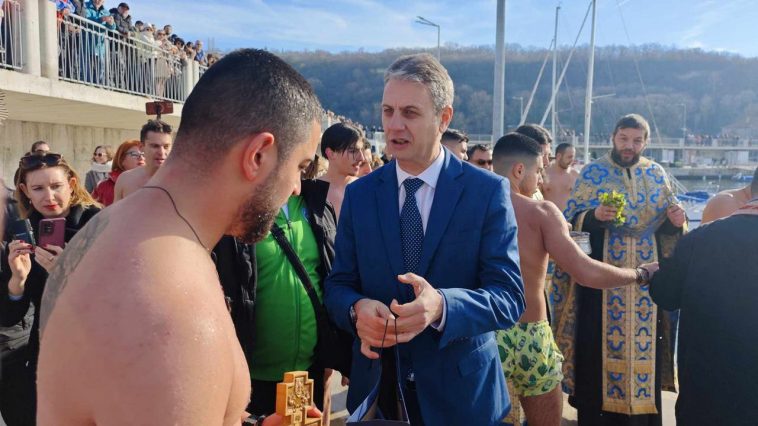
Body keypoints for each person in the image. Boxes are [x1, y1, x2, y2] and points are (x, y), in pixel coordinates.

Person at [36, 49, 324, 426]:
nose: (296, 187)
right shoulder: (174, 308)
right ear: (257, 155)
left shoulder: (110, 228)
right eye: (300, 166)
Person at [324, 53, 525, 425]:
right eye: (388, 111)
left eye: (410, 113)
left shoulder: (486, 192)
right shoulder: (360, 194)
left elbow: (509, 298)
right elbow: (338, 285)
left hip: (462, 400)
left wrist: (442, 306)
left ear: (443, 118)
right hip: (380, 393)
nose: (394, 125)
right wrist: (357, 310)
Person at [492, 133, 658, 426]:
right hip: (529, 334)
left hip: (484, 332)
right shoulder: (541, 211)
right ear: (519, 170)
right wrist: (639, 274)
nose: (542, 180)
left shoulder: (468, 206)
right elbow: (585, 272)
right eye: (538, 171)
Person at [550, 114, 686, 426]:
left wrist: (675, 222)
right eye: (624, 138)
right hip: (602, 282)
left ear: (645, 142)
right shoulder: (593, 172)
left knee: (647, 350)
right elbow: (570, 222)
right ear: (613, 137)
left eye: (636, 141)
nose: (629, 146)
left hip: (647, 287)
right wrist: (594, 216)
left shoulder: (656, 173)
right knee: (596, 348)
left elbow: (669, 229)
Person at [1, 153, 101, 425]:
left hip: (97, 354)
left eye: (56, 186)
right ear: (25, 191)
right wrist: (17, 281)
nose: (49, 196)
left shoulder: (99, 225)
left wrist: (67, 274)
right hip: (45, 356)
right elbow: (10, 316)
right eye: (38, 188)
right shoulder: (22, 233)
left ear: (71, 184)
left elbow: (121, 299)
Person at [648, 178, 758, 425]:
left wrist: (653, 276)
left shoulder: (699, 238)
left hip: (706, 394)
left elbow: (666, 295)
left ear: (749, 192)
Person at [247, 177, 340, 423]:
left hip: (308, 372)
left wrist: (341, 352)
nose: (298, 182)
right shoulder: (237, 206)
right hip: (252, 378)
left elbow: (333, 277)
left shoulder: (317, 204)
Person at [113, 119, 172, 202]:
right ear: (142, 147)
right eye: (155, 146)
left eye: (166, 147)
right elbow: (116, 210)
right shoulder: (125, 180)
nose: (161, 152)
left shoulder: (182, 181)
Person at [317, 122, 366, 219]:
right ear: (331, 153)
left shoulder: (366, 189)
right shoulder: (311, 192)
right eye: (353, 151)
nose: (361, 158)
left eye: (361, 151)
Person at [92, 140, 145, 206]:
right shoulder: (103, 187)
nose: (141, 158)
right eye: (134, 154)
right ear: (121, 159)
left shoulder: (153, 183)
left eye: (144, 154)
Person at [543, 142, 579, 212]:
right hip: (547, 216)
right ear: (559, 156)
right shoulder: (544, 174)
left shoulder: (575, 175)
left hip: (568, 217)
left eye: (573, 157)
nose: (572, 160)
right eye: (569, 157)